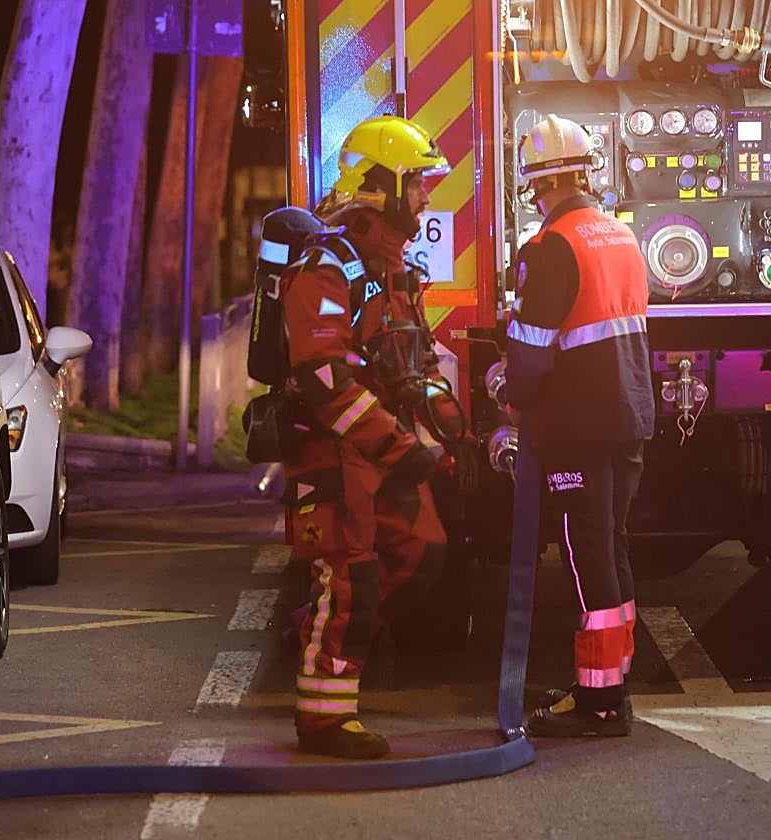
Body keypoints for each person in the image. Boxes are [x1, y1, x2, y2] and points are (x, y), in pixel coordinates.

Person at [278, 115, 467, 759]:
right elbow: (325, 377)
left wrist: (449, 430)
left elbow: (416, 364)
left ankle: (326, 635)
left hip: (379, 453)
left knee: (423, 552)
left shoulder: (395, 272)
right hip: (334, 455)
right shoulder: (324, 268)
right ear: (381, 184)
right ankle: (324, 721)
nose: (425, 197)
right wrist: (400, 447)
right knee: (351, 581)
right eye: (416, 184)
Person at [504, 114, 654, 737]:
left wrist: (508, 397)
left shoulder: (548, 248)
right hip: (628, 417)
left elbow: (532, 350)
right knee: (611, 551)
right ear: (587, 170)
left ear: (534, 183)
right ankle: (612, 686)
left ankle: (598, 704)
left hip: (577, 429)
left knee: (586, 556)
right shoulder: (618, 235)